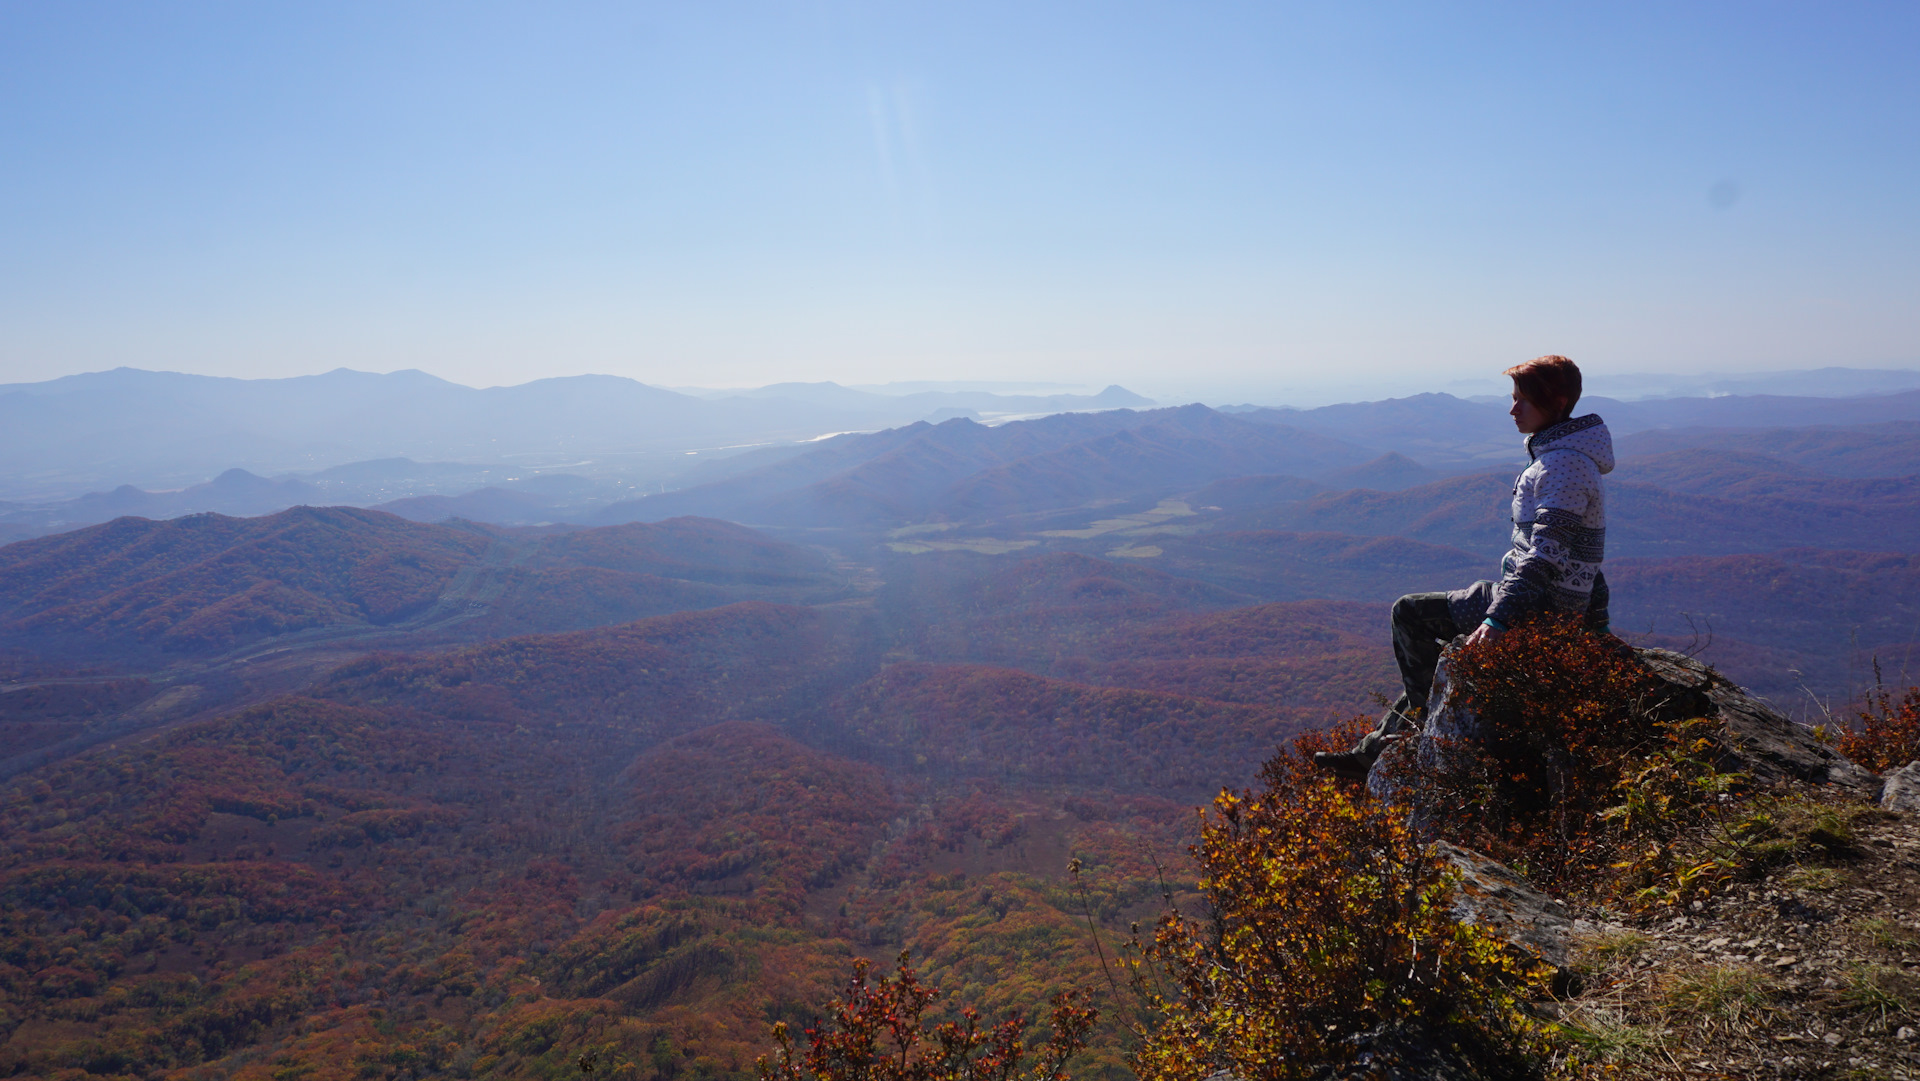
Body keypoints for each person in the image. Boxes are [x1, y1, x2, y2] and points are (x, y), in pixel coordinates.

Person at [1313, 355, 1614, 780]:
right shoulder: (1562, 456)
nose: (1512, 410)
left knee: (1409, 614)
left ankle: (1422, 726)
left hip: (1536, 606)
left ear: (1558, 402)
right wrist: (1595, 626)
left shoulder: (1563, 465)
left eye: (1522, 401)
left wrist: (1498, 619)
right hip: (1539, 600)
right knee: (1437, 653)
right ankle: (1370, 752)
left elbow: (1547, 555)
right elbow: (1586, 556)